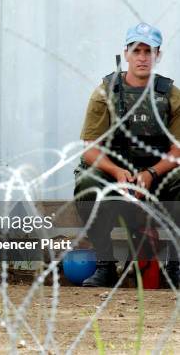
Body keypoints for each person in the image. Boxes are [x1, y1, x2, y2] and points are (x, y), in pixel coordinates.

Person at [74, 23, 180, 288]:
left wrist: (151, 173)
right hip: (115, 170)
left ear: (158, 55)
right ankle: (105, 265)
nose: (142, 57)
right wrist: (118, 173)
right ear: (127, 53)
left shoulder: (171, 95)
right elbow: (90, 147)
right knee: (87, 183)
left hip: (157, 173)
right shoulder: (106, 92)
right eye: (136, 50)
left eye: (148, 51)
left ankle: (175, 266)